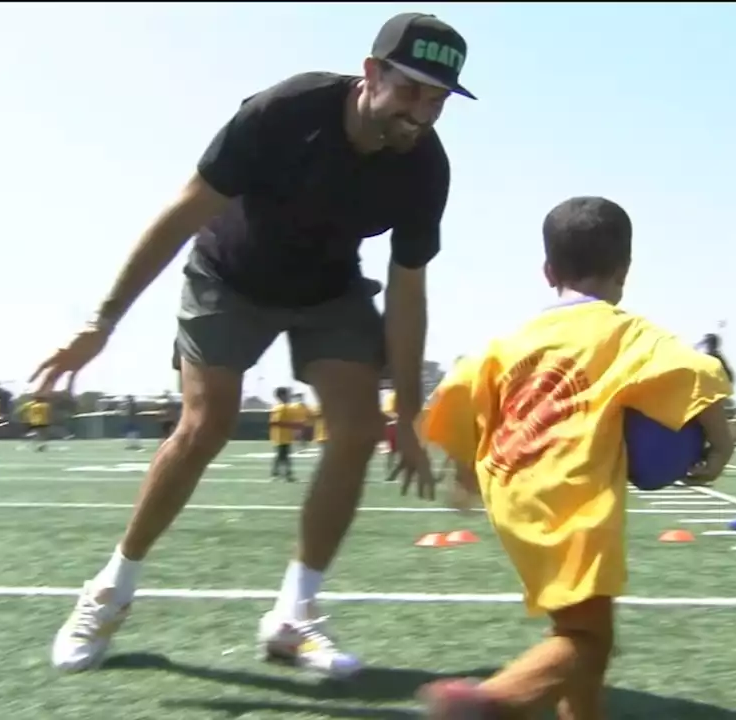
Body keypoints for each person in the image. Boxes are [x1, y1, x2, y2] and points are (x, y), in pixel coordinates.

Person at [32, 12, 475, 677]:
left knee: (358, 430)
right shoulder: (285, 110)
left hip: (326, 288)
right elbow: (184, 210)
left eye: (439, 98)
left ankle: (294, 617)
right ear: (371, 73)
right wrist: (101, 321)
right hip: (229, 276)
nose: (423, 112)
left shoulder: (424, 168)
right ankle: (109, 590)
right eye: (411, 90)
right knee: (204, 426)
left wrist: (408, 413)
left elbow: (408, 293)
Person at [416, 197, 735, 719]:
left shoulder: (509, 341)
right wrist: (721, 445)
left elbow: (460, 395)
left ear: (548, 271)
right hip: (574, 497)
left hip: (512, 492)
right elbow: (696, 372)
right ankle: (491, 703)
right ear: (625, 271)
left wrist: (465, 476)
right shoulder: (627, 331)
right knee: (589, 641)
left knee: (576, 628)